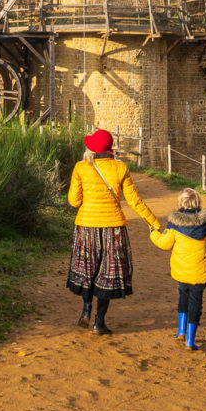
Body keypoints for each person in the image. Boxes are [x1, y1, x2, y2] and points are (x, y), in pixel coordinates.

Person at [67, 129, 161, 335]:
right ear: (111, 148)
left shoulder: (81, 167)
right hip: (113, 229)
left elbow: (73, 201)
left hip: (86, 227)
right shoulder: (120, 168)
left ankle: (86, 310)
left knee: (87, 271)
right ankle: (99, 323)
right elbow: (134, 201)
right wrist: (153, 223)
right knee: (107, 275)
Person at [149, 187, 206, 351]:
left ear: (181, 203)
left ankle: (181, 331)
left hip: (181, 271)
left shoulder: (174, 224)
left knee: (183, 297)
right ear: (198, 203)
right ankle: (190, 341)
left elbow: (164, 244)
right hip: (199, 272)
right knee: (196, 303)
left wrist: (153, 233)